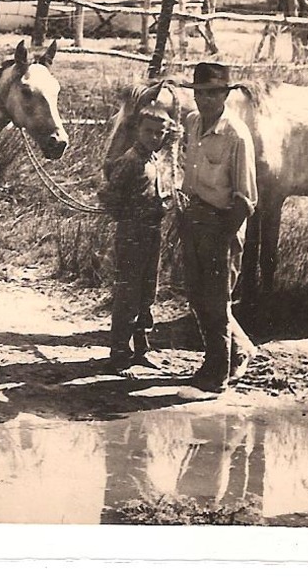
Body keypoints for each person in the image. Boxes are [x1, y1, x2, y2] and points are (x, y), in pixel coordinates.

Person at [176, 61, 260, 393]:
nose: (206, 100)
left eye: (213, 94)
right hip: (192, 218)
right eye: (200, 94)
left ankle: (216, 374)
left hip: (221, 222)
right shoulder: (193, 123)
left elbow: (244, 198)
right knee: (197, 297)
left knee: (216, 300)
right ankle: (226, 357)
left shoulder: (237, 135)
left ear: (225, 95)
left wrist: (224, 236)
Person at [101, 101, 174, 373]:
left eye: (159, 133)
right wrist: (127, 216)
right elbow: (108, 195)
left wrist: (163, 203)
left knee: (147, 293)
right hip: (132, 235)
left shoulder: (155, 160)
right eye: (148, 131)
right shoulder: (131, 160)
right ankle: (119, 353)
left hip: (152, 234)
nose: (154, 137)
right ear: (137, 131)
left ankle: (141, 349)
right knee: (128, 294)